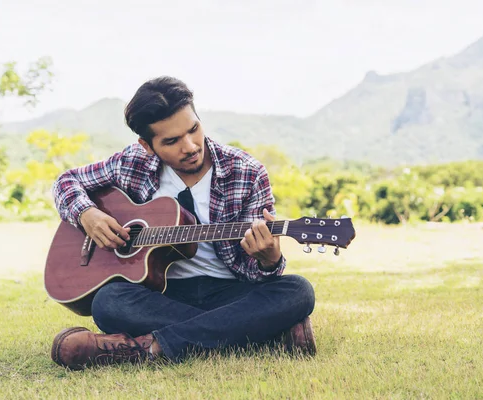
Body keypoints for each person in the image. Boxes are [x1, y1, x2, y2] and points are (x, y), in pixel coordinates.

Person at [49, 76, 316, 370]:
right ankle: (266, 333)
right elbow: (66, 181)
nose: (189, 146)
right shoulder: (131, 163)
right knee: (108, 302)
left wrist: (269, 260)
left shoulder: (246, 172)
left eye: (193, 129)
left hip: (227, 293)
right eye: (172, 141)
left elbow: (259, 275)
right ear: (147, 145)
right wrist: (88, 214)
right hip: (160, 294)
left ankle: (147, 347)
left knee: (297, 291)